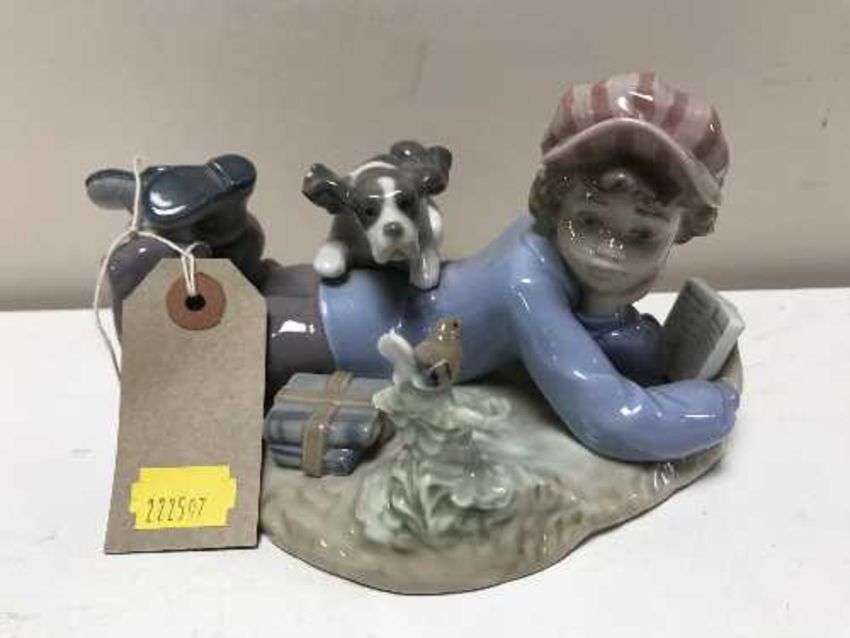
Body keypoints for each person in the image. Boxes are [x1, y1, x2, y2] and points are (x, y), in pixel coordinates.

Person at [93, 73, 740, 462]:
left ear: (684, 230)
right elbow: (610, 419)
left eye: (642, 233)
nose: (609, 249)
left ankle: (209, 228)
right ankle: (151, 255)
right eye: (591, 222)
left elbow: (595, 336)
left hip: (357, 298)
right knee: (220, 344)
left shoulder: (542, 250)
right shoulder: (528, 281)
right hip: (339, 336)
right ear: (553, 201)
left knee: (250, 288)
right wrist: (715, 405)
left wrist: (628, 337)